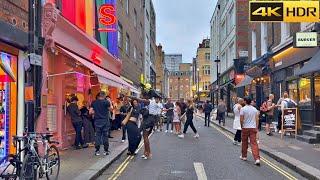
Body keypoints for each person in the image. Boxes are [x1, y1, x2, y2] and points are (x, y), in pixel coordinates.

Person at [240, 97, 260, 166]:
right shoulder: (255, 109)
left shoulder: (243, 109)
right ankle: (257, 159)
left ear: (245, 101)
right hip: (253, 128)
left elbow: (241, 120)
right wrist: (256, 128)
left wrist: (242, 126)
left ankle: (244, 156)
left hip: (245, 128)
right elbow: (257, 119)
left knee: (244, 142)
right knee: (254, 143)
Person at [90, 91, 111, 156]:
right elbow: (111, 109)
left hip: (97, 121)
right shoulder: (106, 102)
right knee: (105, 136)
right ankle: (106, 151)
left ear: (99, 95)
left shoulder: (94, 102)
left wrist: (96, 113)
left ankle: (97, 151)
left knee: (98, 136)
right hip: (105, 121)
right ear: (104, 96)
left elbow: (90, 112)